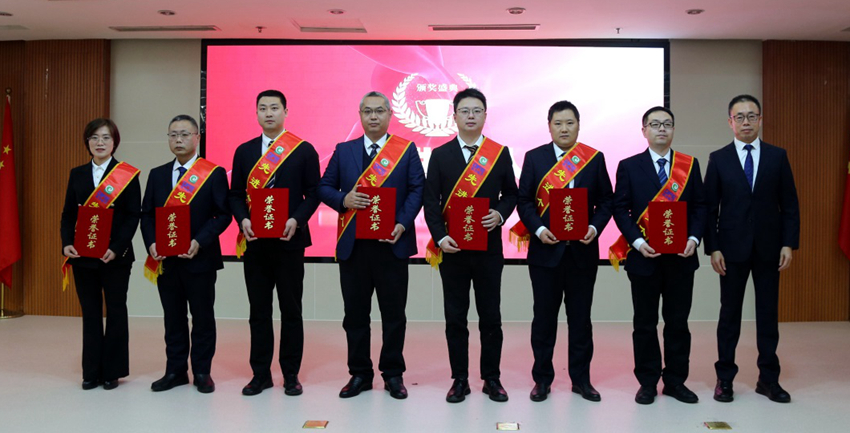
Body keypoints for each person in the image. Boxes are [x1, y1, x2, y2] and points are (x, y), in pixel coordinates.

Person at [317, 91, 424, 400]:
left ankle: (393, 374)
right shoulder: (344, 150)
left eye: (379, 111)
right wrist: (344, 199)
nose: (373, 116)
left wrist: (401, 223)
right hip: (354, 248)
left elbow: (418, 189)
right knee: (355, 315)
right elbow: (324, 187)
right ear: (360, 115)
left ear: (390, 114)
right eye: (367, 111)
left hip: (392, 244)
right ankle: (360, 374)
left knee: (394, 314)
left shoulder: (405, 150)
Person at [423, 88, 518, 403]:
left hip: (489, 249)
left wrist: (500, 214)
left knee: (491, 316)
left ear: (485, 116)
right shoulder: (440, 155)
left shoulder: (498, 153)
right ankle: (460, 379)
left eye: (477, 110)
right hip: (453, 250)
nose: (471, 116)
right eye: (464, 111)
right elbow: (431, 201)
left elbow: (512, 194)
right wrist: (440, 237)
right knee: (456, 317)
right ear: (454, 116)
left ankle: (492, 378)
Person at [704, 94, 800, 403]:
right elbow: (709, 209)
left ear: (760, 119)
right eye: (740, 117)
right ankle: (724, 379)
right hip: (730, 250)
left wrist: (788, 243)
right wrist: (713, 248)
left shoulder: (777, 156)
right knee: (729, 315)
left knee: (767, 314)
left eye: (751, 116)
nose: (746, 122)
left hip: (769, 249)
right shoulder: (718, 159)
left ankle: (768, 379)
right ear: (730, 122)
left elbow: (790, 205)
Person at [515, 101, 613, 402]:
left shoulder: (593, 159)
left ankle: (581, 380)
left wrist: (594, 227)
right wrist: (539, 230)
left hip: (582, 253)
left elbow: (606, 202)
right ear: (549, 126)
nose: (564, 129)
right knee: (544, 319)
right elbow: (524, 201)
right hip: (545, 253)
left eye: (570, 123)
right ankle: (542, 380)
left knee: (580, 320)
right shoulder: (535, 158)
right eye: (558, 123)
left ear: (578, 125)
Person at [611, 106, 706, 405]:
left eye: (667, 124)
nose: (661, 129)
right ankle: (648, 382)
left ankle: (676, 381)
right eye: (655, 124)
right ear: (644, 131)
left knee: (678, 323)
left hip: (681, 258)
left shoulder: (689, 165)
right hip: (644, 259)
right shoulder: (629, 166)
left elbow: (701, 207)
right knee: (645, 323)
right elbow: (620, 208)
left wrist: (693, 238)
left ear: (674, 129)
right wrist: (637, 242)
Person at [230, 89, 321, 396]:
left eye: (274, 107)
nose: (268, 113)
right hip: (255, 243)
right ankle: (260, 374)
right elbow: (235, 194)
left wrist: (297, 219)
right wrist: (242, 219)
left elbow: (314, 192)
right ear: (256, 113)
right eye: (262, 108)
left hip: (289, 242)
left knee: (291, 310)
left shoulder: (303, 150)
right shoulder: (244, 151)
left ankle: (291, 374)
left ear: (285, 111)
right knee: (259, 311)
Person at [141, 114, 230, 394]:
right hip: (166, 261)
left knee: (202, 318)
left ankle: (202, 371)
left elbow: (223, 215)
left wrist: (199, 241)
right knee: (173, 318)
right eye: (173, 135)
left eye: (184, 134)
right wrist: (151, 244)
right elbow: (147, 215)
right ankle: (175, 371)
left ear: (197, 138)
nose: (178, 140)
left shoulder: (213, 173)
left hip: (200, 259)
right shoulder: (157, 174)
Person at [61, 118, 141, 390]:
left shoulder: (126, 174)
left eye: (106, 137)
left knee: (116, 310)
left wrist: (116, 248)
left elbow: (133, 216)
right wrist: (66, 243)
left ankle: (112, 371)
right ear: (87, 142)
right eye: (94, 137)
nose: (100, 142)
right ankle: (91, 371)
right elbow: (68, 215)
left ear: (114, 142)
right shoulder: (77, 174)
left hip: (115, 256)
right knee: (91, 312)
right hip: (83, 257)